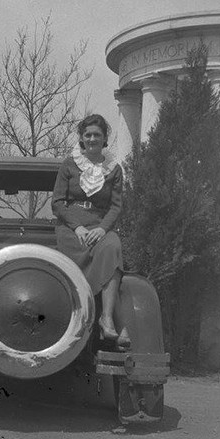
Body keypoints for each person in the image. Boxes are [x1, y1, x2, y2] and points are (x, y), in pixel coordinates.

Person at [52, 114, 130, 349]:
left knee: (113, 246)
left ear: (105, 138)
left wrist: (102, 229)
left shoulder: (113, 169)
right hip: (71, 227)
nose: (93, 138)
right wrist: (77, 227)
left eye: (97, 134)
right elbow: (57, 203)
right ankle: (69, 322)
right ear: (82, 139)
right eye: (88, 135)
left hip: (99, 225)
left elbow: (116, 206)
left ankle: (106, 319)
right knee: (63, 257)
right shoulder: (69, 164)